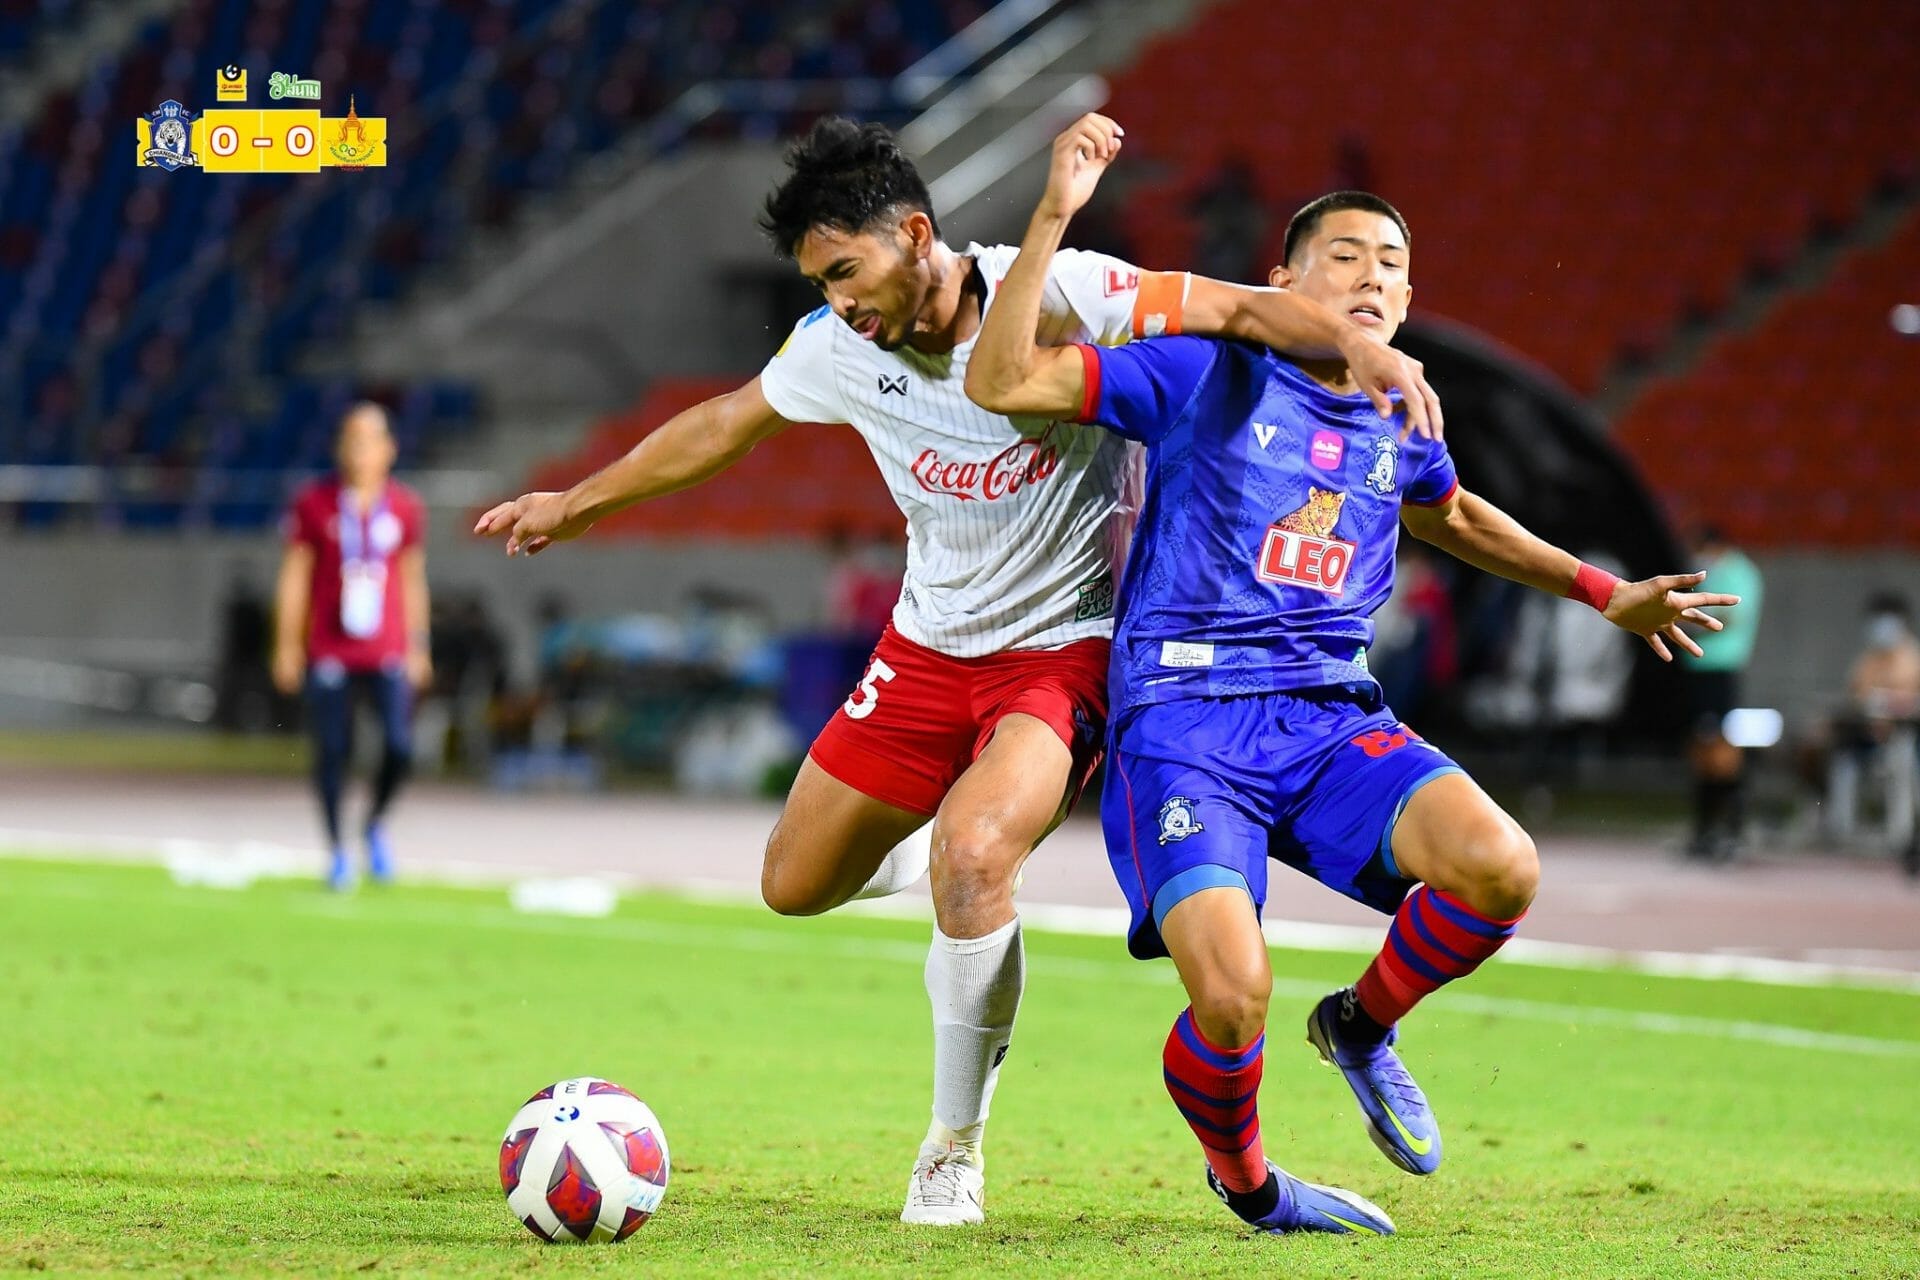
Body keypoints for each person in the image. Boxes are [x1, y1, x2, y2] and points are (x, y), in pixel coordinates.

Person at [474, 113, 1443, 1226]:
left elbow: (1235, 308)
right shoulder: (837, 348)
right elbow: (725, 424)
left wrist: (1359, 346)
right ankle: (933, 857)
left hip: (1066, 652)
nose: (838, 301)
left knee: (978, 855)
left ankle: (953, 1148)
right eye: (819, 282)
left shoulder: (1070, 291)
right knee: (792, 884)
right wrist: (576, 502)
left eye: (846, 272)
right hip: (926, 646)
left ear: (915, 236)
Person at [966, 144, 1734, 1234]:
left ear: (1409, 300)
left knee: (1501, 867)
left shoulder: (1401, 412)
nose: (1373, 275)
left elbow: (1449, 514)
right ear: (1282, 283)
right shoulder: (1205, 370)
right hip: (1185, 726)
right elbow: (1003, 383)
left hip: (1329, 718)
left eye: (1392, 263)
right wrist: (1051, 214)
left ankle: (1360, 1026)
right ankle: (1252, 1186)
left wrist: (1605, 592)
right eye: (1345, 255)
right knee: (1233, 997)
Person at [273, 402, 432, 891]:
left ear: (389, 449)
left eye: (368, 442)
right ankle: (338, 848)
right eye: (351, 441)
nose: (359, 452)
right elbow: (295, 575)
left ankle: (374, 822)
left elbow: (412, 577)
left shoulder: (404, 507)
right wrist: (286, 644)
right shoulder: (315, 503)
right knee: (333, 750)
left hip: (386, 646)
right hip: (330, 648)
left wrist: (419, 644)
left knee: (400, 746)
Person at [1684, 525, 1765, 859]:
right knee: (1701, 750)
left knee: (1722, 751)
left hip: (1721, 670)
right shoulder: (1716, 573)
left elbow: (1729, 617)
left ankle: (1732, 829)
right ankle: (1704, 829)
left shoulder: (1739, 573)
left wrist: (1688, 619)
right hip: (1701, 669)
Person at [1826, 592, 1920, 852]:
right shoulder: (1868, 659)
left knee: (1900, 762)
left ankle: (1900, 835)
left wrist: (1895, 707)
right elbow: (1855, 696)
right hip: (1866, 736)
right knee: (1842, 762)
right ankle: (1841, 833)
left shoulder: (1912, 658)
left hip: (1903, 738)